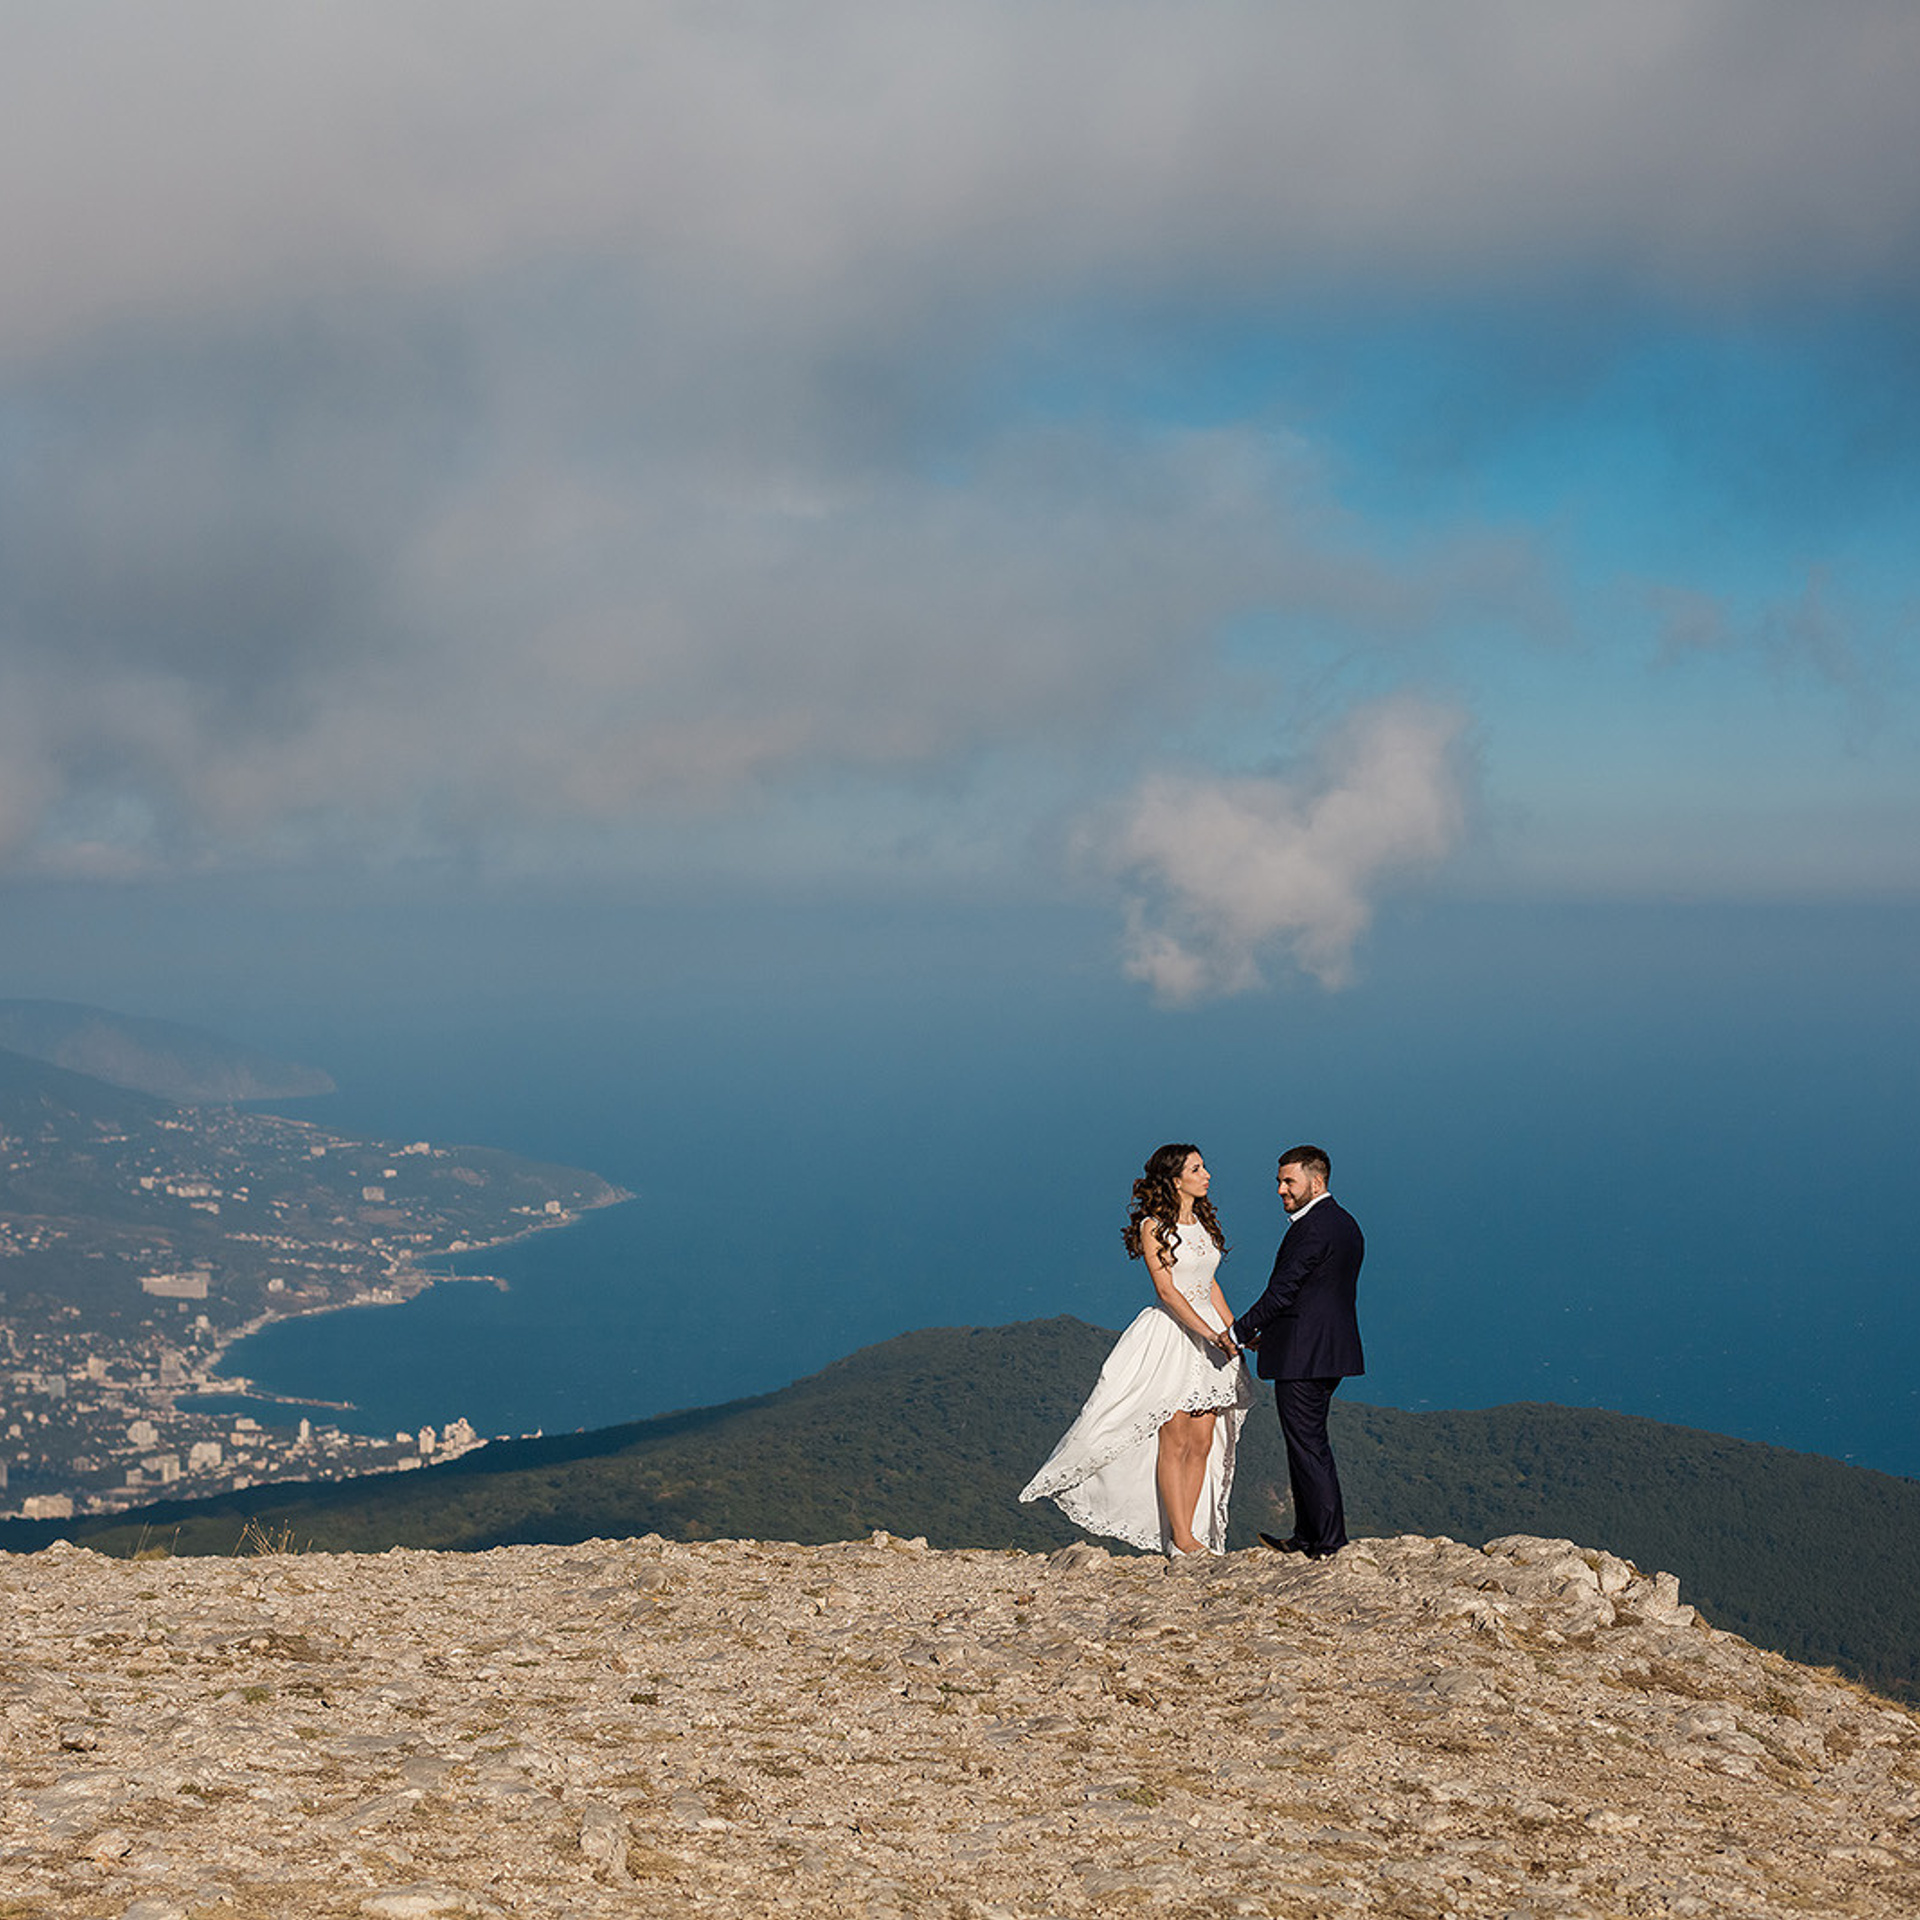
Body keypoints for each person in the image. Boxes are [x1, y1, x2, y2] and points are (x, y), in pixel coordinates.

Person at [1020, 1143, 1254, 1556]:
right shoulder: (1153, 1226)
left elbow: (1210, 1283)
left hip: (1212, 1339)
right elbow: (1167, 1290)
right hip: (1174, 1336)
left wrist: (1233, 1330)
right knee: (1175, 1438)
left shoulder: (1201, 1222)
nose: (1207, 1175)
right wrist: (1209, 1333)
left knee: (1202, 1440)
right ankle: (1180, 1537)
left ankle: (1192, 1533)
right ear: (1175, 1180)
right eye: (1197, 1169)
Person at [1230, 1144, 1365, 1560]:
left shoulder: (1311, 1228)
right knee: (1306, 1443)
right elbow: (1315, 1297)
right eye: (1279, 1181)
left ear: (1316, 1181)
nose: (1280, 1189)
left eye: (1289, 1181)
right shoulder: (1345, 1223)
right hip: (1326, 1350)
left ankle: (1327, 1543)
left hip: (1305, 1356)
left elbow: (1283, 1292)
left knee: (1308, 1446)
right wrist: (1270, 1336)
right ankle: (1307, 1536)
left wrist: (1238, 1331)